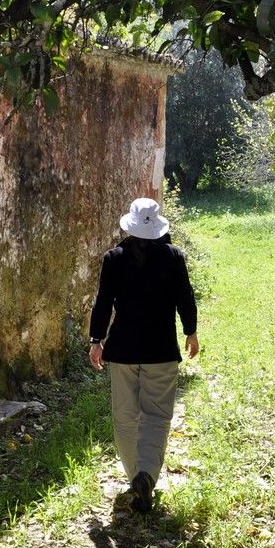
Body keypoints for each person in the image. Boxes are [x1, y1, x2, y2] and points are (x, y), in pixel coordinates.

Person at [88, 196, 198, 513]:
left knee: (125, 418)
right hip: (161, 351)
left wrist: (97, 340)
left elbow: (103, 303)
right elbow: (185, 299)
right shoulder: (173, 257)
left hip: (122, 350)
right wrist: (191, 332)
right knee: (157, 417)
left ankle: (135, 477)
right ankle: (146, 476)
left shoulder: (114, 258)